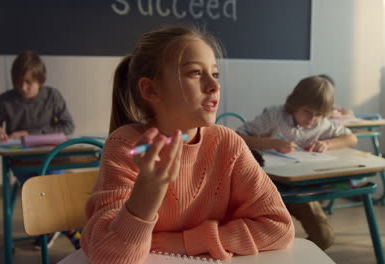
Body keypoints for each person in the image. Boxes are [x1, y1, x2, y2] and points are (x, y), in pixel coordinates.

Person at [80, 25, 294, 264]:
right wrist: (148, 190)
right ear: (151, 90)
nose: (214, 86)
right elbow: (109, 257)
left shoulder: (228, 143)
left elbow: (279, 227)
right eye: (194, 73)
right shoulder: (125, 146)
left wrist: (188, 242)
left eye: (215, 74)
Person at [236, 75, 358, 250]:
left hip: (301, 189)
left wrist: (327, 144)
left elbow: (351, 138)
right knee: (267, 239)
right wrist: (271, 143)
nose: (312, 119)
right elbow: (238, 136)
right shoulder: (274, 115)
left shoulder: (321, 124)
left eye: (318, 114)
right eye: (307, 111)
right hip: (266, 188)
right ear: (294, 103)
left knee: (325, 238)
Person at [0, 50, 77, 249]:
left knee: (55, 183)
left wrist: (29, 134)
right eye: (18, 82)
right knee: (42, 189)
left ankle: (53, 227)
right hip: (24, 163)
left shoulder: (52, 96)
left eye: (29, 82)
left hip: (52, 159)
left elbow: (68, 127)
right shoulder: (5, 100)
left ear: (40, 80)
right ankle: (69, 228)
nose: (23, 88)